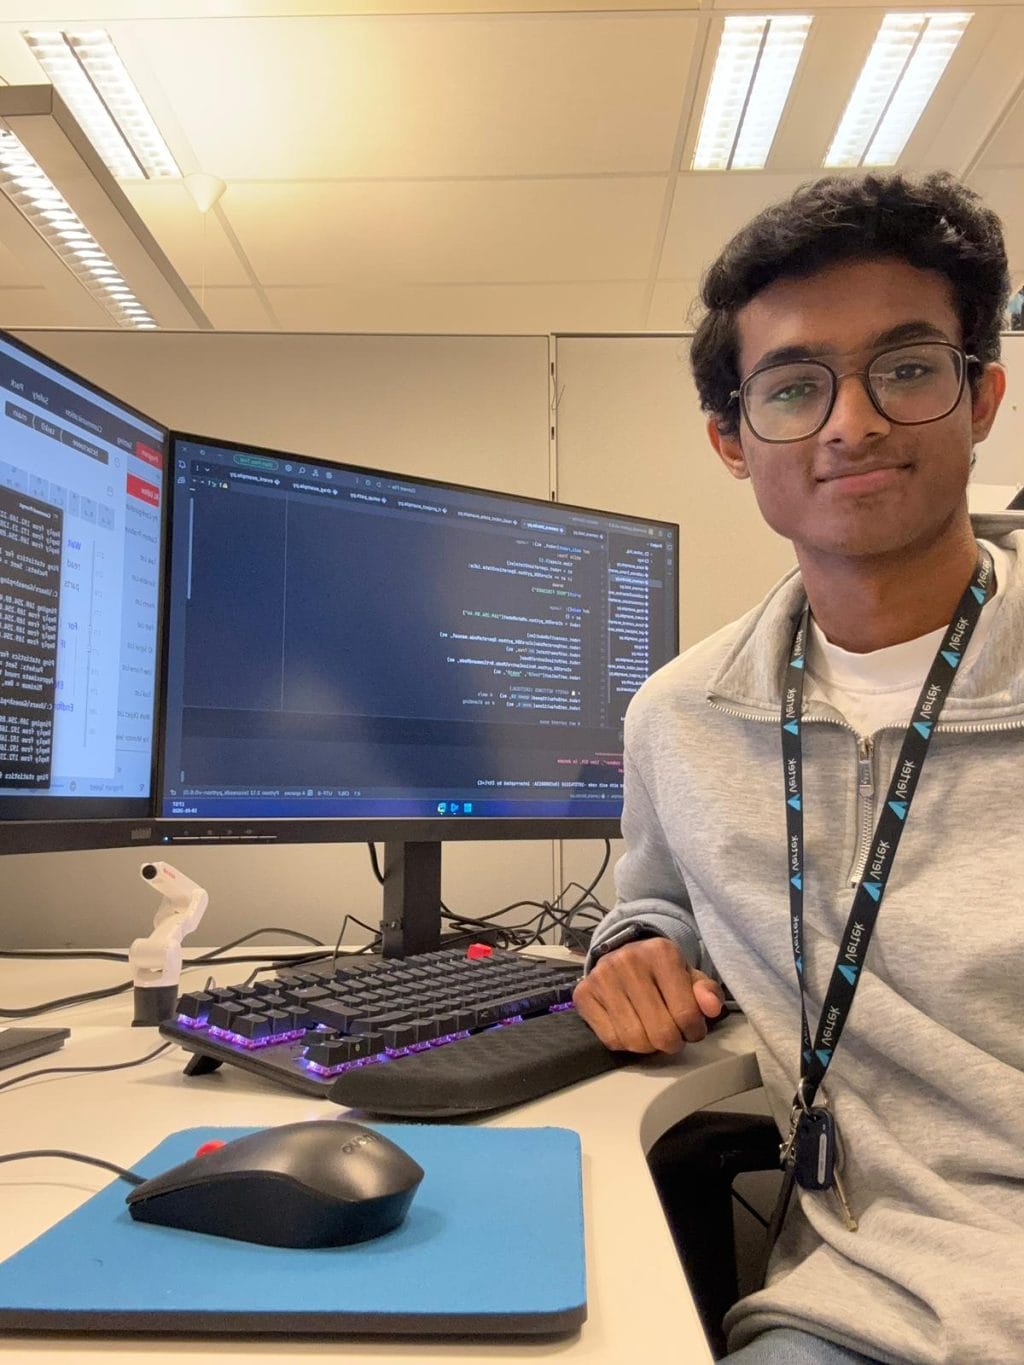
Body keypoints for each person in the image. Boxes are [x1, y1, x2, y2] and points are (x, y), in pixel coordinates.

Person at [574, 172, 1024, 1365]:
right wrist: (632, 951)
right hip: (857, 1294)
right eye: (793, 388)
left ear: (981, 396)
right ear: (732, 440)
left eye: (907, 369)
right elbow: (655, 901)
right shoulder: (682, 716)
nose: (852, 422)